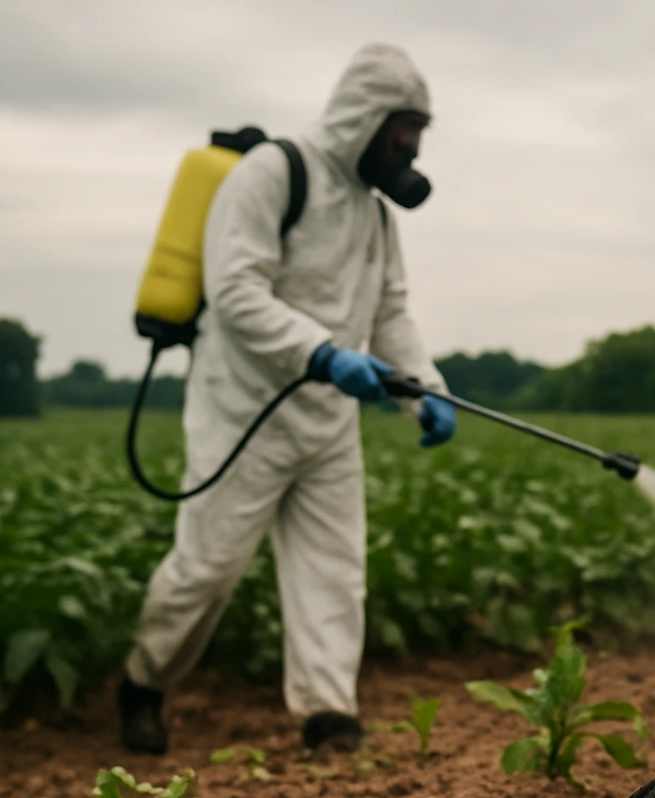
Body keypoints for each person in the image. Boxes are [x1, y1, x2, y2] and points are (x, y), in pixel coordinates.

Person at [118, 42, 455, 755]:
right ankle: (143, 683)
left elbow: (391, 312)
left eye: (418, 134)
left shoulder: (375, 213)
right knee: (206, 569)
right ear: (366, 119)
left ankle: (329, 714)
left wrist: (424, 392)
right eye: (404, 130)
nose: (410, 147)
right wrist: (321, 352)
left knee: (334, 570)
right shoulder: (273, 173)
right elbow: (236, 290)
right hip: (244, 411)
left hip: (328, 422)